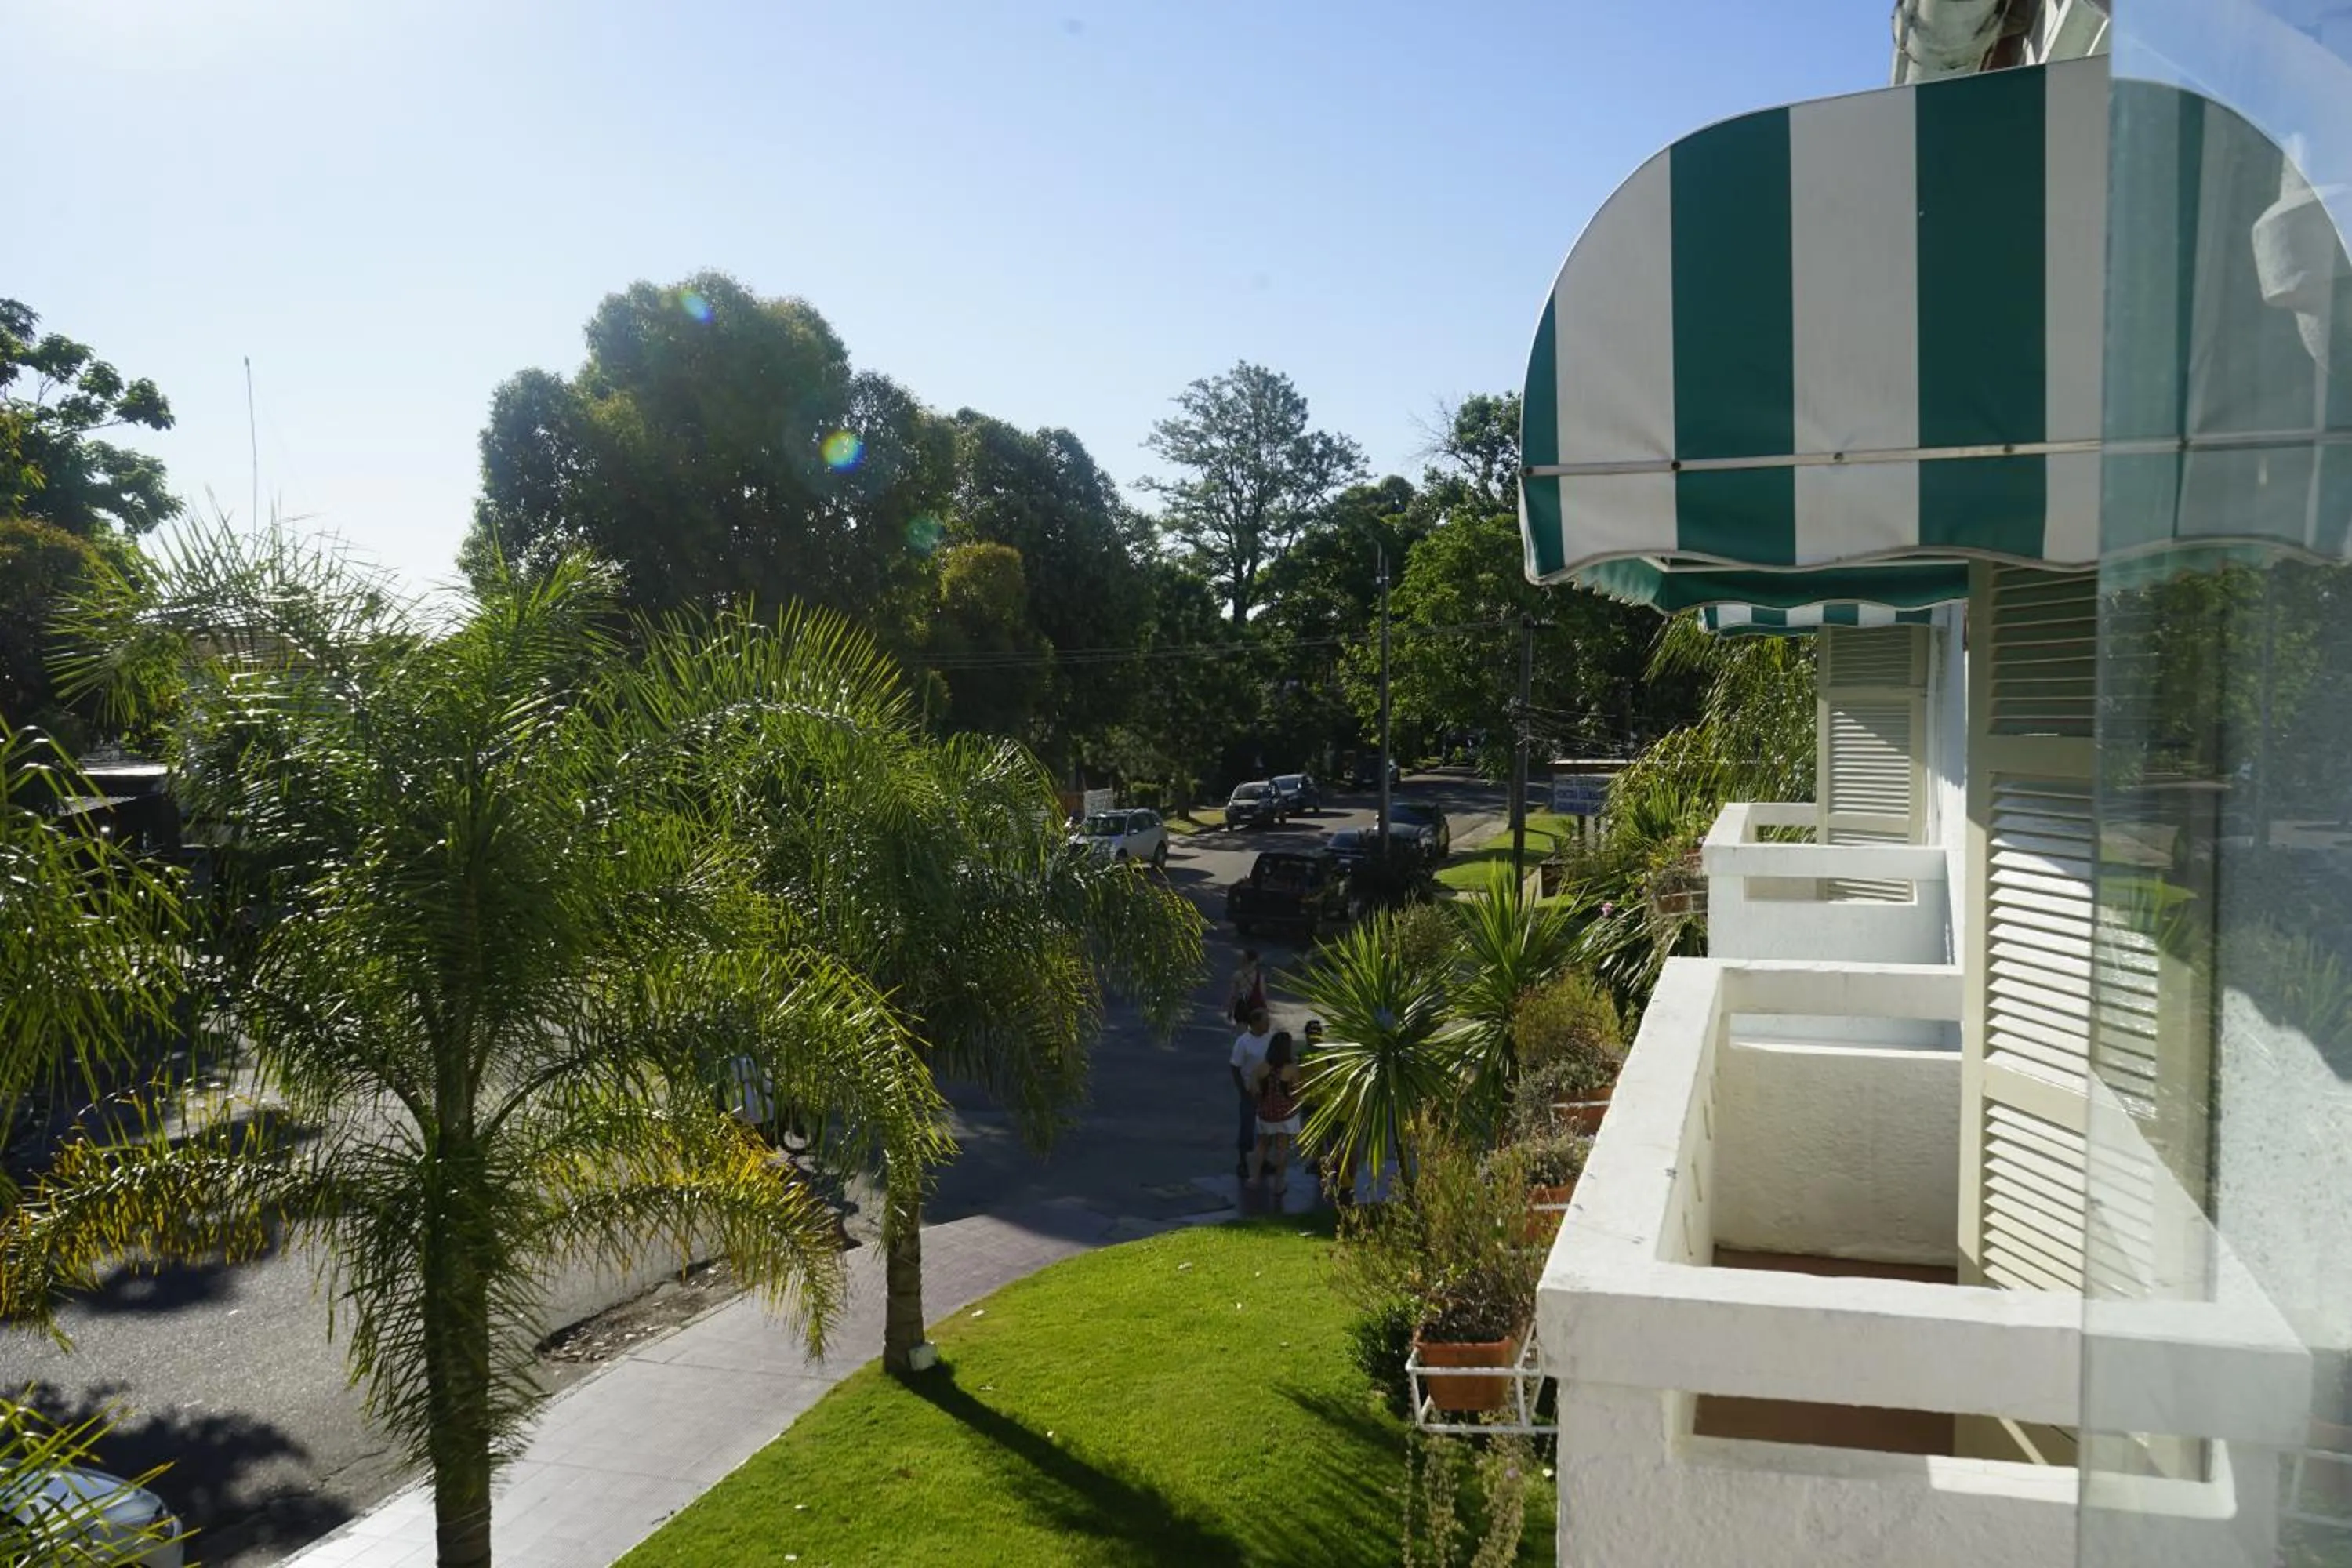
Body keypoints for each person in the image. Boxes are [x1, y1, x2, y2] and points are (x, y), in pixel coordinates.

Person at [1250, 1032, 1304, 1196]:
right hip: (1285, 1115)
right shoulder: (1292, 1069)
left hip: (1266, 1114)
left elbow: (1253, 1090)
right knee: (1281, 1148)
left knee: (1261, 1146)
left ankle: (1253, 1179)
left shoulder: (1261, 1068)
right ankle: (1279, 1183)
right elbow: (1297, 1092)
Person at [1229, 1006, 1272, 1181]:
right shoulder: (1243, 1042)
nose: (1268, 1024)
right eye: (1265, 1022)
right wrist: (1243, 1090)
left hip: (1266, 1090)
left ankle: (1263, 1160)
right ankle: (1243, 1163)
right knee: (1247, 1127)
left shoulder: (1268, 1039)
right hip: (1250, 1090)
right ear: (1255, 1023)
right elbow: (1235, 1067)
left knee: (1266, 1128)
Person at [1227, 948, 1267, 1027]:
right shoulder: (1260, 976)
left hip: (1242, 1005)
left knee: (1241, 1033)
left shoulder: (1237, 974)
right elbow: (1263, 994)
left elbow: (1233, 995)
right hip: (1256, 1006)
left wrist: (1230, 1010)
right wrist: (1265, 1010)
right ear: (1255, 961)